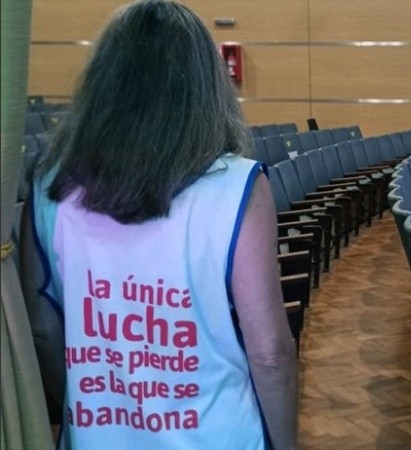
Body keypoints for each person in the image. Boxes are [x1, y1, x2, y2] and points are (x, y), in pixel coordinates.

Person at [20, 1, 297, 448]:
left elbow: (42, 328)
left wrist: (89, 398)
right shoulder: (238, 186)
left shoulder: (49, 184)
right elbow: (270, 354)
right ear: (206, 86)